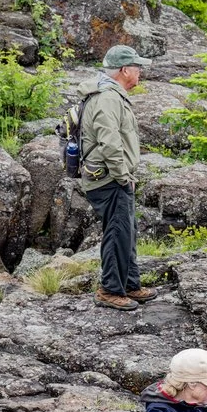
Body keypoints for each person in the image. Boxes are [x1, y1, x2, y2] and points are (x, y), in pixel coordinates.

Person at [79, 44, 157, 311]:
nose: (140, 73)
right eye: (137, 67)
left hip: (114, 177)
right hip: (108, 179)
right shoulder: (108, 98)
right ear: (124, 70)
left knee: (127, 231)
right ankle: (109, 290)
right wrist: (123, 176)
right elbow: (109, 142)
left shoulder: (111, 94)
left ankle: (130, 284)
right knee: (117, 232)